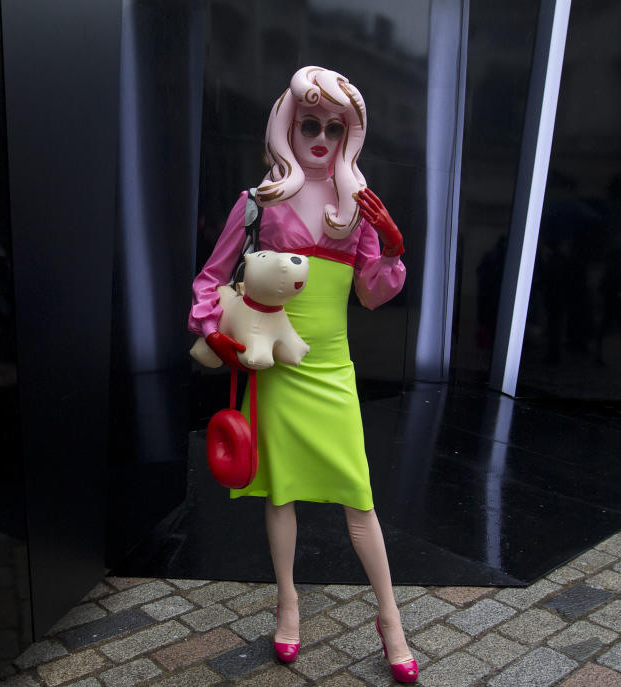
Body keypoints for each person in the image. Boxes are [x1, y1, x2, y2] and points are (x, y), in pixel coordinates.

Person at [188, 66, 416, 682]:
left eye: (334, 127)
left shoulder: (356, 207)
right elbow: (211, 278)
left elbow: (372, 294)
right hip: (276, 367)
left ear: (350, 135)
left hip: (333, 370)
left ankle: (390, 617)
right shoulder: (258, 203)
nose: (320, 137)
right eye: (309, 123)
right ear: (288, 125)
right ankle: (287, 604)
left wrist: (391, 250)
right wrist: (212, 329)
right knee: (281, 491)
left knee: (359, 499)